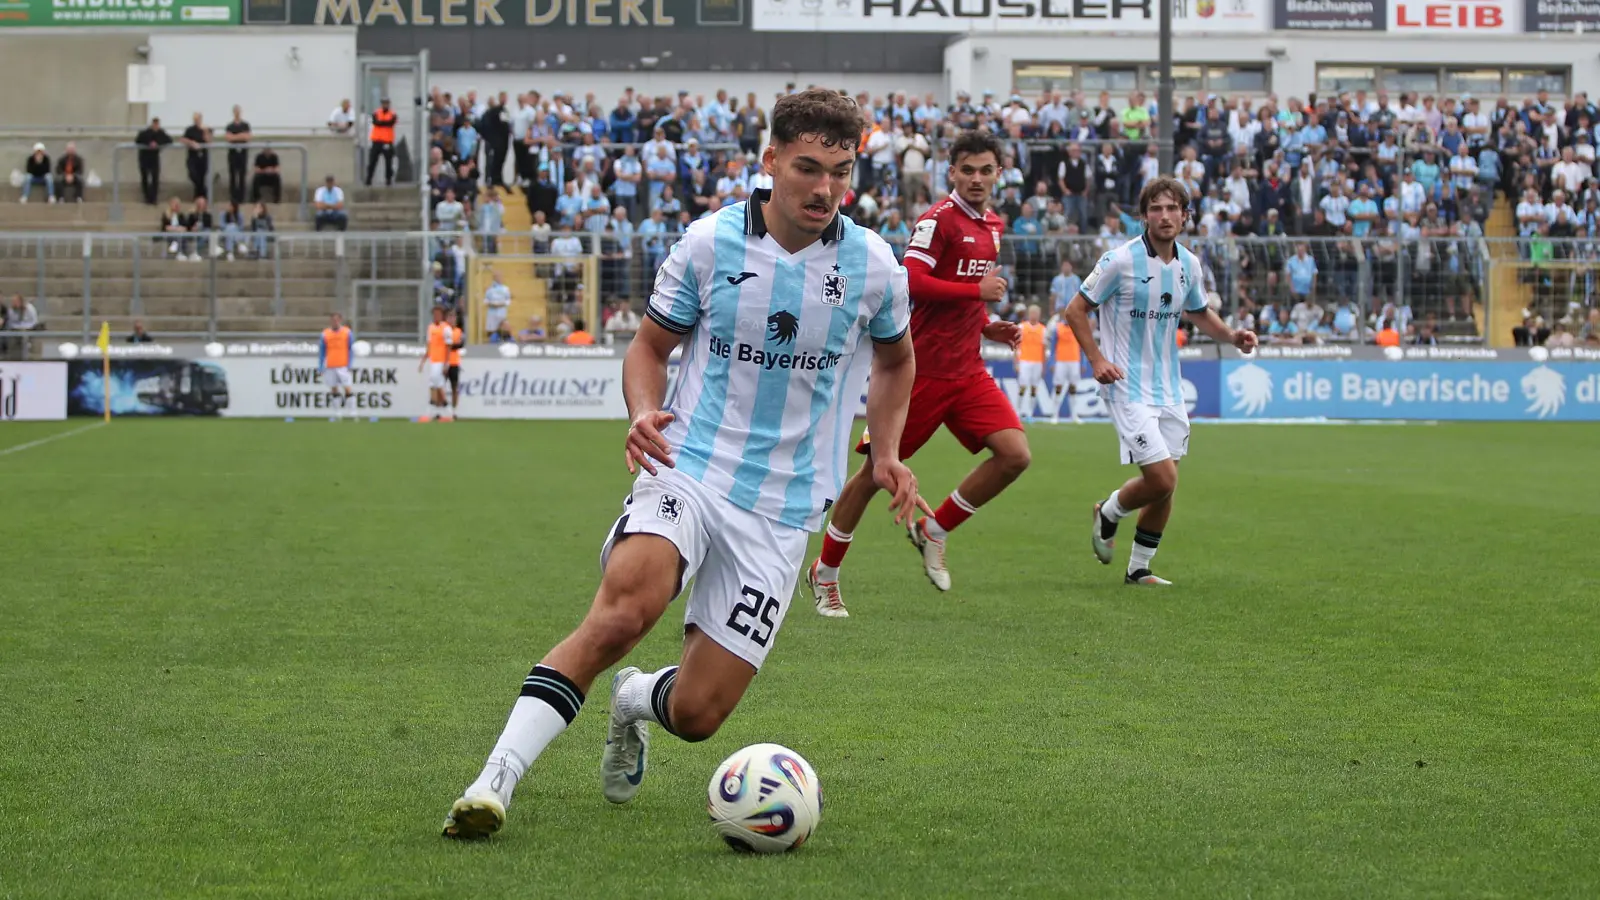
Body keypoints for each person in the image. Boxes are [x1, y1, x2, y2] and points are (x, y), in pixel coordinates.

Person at [441, 88, 919, 841]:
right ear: (769, 163)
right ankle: (492, 781)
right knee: (626, 608)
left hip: (783, 507)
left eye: (840, 169)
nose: (825, 187)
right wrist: (640, 410)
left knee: (698, 715)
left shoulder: (873, 266)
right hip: (688, 465)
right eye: (807, 168)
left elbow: (896, 362)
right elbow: (649, 349)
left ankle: (633, 700)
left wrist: (887, 451)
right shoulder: (709, 243)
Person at [807, 130, 1025, 619]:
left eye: (985, 170)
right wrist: (976, 295)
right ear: (951, 173)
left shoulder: (993, 224)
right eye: (966, 170)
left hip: (967, 369)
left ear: (998, 174)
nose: (976, 179)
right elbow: (911, 279)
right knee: (872, 475)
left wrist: (987, 327)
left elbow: (967, 292)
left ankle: (934, 528)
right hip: (919, 372)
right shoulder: (938, 222)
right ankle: (825, 572)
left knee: (1014, 455)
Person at [1065, 176, 1258, 586]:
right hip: (1125, 385)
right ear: (1144, 216)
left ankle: (1138, 569)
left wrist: (1232, 336)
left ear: (1186, 217)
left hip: (1168, 387)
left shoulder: (1189, 264)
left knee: (1166, 487)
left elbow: (1200, 312)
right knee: (1163, 477)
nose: (1165, 216)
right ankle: (1110, 511)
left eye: (1173, 208)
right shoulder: (1119, 260)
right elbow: (1075, 310)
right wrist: (1096, 358)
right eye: (1157, 208)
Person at [1046, 303, 1082, 424]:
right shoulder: (1057, 328)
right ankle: (1054, 414)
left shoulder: (1077, 327)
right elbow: (1052, 347)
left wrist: (1083, 364)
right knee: (1058, 387)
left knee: (1073, 387)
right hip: (1061, 361)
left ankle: (1074, 415)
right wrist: (1052, 362)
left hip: (1074, 361)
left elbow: (1082, 346)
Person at [419, 306, 453, 421]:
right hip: (433, 360)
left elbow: (449, 347)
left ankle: (431, 411)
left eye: (438, 314)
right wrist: (423, 362)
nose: (436, 316)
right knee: (437, 385)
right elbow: (429, 346)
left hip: (441, 361)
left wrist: (446, 363)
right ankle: (447, 413)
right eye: (434, 314)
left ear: (442, 315)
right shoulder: (430, 328)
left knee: (435, 384)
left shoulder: (446, 328)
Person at [1014, 305, 1048, 421]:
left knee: (1034, 387)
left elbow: (1044, 348)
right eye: (1032, 313)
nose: (1034, 315)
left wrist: (1044, 365)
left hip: (1037, 362)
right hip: (1024, 360)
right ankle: (1018, 411)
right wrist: (1016, 362)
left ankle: (1030, 413)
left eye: (1036, 313)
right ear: (1029, 314)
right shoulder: (1022, 327)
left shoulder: (1043, 329)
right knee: (1022, 386)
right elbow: (1016, 346)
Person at [320, 313, 355, 420]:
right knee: (334, 389)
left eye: (336, 320)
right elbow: (322, 352)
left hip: (343, 365)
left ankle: (352, 412)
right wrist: (320, 366)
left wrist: (350, 364)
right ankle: (337, 412)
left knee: (347, 388)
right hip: (330, 365)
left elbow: (350, 349)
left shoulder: (347, 332)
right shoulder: (325, 334)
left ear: (340, 320)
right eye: (333, 320)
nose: (335, 322)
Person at [135, 118, 172, 205]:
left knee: (155, 178)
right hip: (144, 158)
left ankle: (154, 198)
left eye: (157, 124)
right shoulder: (144, 133)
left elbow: (169, 140)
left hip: (154, 158)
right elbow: (138, 140)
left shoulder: (160, 133)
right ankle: (147, 197)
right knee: (145, 178)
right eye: (154, 124)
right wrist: (149, 143)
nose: (156, 126)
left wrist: (158, 143)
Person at [367, 98, 398, 187]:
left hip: (387, 141)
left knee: (388, 162)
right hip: (377, 141)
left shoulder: (392, 114)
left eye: (387, 103)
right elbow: (376, 122)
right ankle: (369, 179)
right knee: (372, 161)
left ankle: (388, 180)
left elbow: (391, 123)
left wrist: (382, 123)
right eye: (384, 103)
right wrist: (384, 123)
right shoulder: (376, 113)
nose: (385, 105)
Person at [446, 310, 466, 420]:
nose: (452, 319)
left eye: (454, 317)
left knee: (454, 387)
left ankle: (454, 411)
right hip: (444, 362)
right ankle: (442, 410)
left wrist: (450, 344)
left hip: (454, 362)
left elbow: (460, 344)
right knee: (440, 387)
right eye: (450, 317)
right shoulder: (444, 330)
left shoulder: (459, 331)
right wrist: (451, 344)